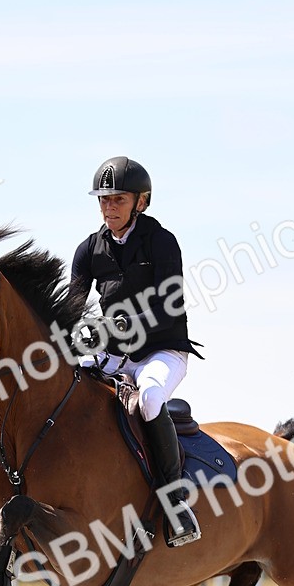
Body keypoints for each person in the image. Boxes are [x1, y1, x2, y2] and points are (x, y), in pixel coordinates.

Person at [70, 156, 202, 547]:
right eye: (104, 200)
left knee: (150, 398)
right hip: (114, 356)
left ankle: (175, 502)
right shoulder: (88, 249)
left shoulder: (161, 241)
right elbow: (72, 308)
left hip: (161, 351)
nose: (109, 207)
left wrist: (121, 325)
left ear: (140, 202)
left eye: (119, 199)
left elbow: (170, 307)